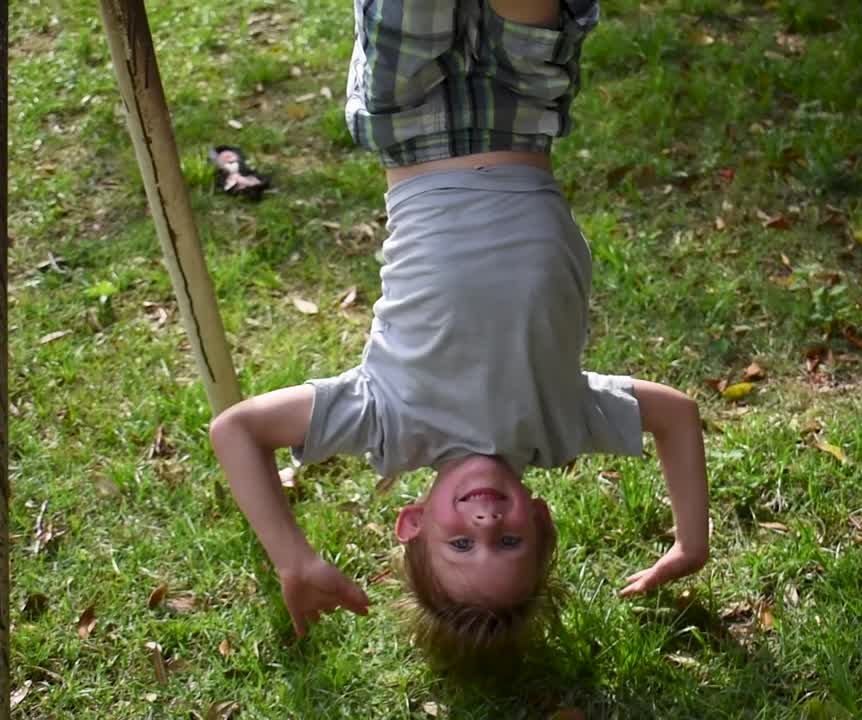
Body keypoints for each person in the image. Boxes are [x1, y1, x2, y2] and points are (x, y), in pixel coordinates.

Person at [208, 0, 710, 667]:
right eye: (509, 544)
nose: (485, 525)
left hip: (411, 120)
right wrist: (691, 543)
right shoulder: (562, 425)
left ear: (413, 523)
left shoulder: (385, 425)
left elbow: (235, 431)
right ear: (539, 519)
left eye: (461, 545)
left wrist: (293, 557)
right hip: (521, 111)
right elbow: (676, 416)